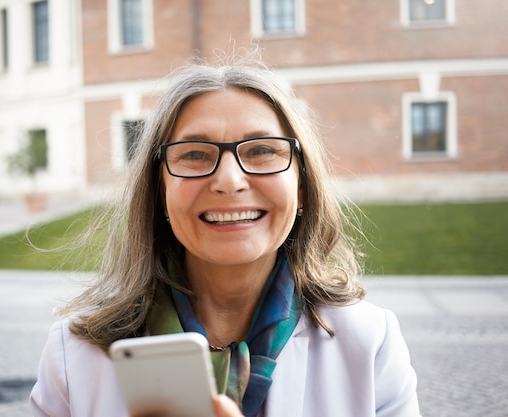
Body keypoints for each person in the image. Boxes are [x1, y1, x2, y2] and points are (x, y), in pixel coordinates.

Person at [30, 53, 421, 417]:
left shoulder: (369, 343)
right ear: (160, 192)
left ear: (301, 186)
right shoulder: (74, 353)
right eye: (195, 154)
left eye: (262, 151)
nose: (229, 181)